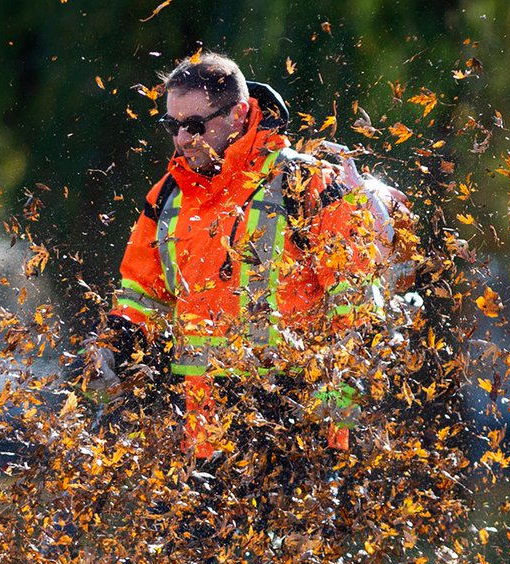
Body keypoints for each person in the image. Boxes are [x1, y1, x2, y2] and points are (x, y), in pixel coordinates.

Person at [90, 51, 411, 535]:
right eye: (172, 126)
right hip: (205, 435)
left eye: (195, 124)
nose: (182, 139)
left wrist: (335, 419)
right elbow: (141, 295)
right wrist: (115, 348)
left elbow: (358, 310)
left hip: (295, 429)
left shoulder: (304, 183)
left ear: (239, 115)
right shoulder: (167, 197)